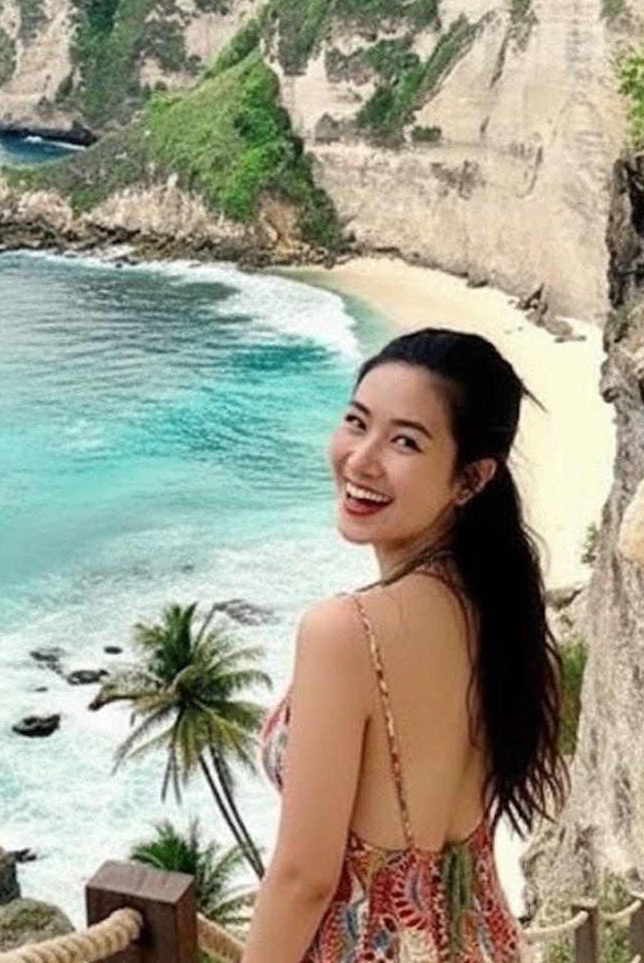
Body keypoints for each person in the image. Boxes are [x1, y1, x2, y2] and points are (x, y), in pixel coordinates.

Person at [243, 328, 567, 962]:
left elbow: (304, 879)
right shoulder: (497, 609)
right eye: (356, 422)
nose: (361, 459)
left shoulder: (345, 632)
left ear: (469, 479)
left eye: (405, 441)